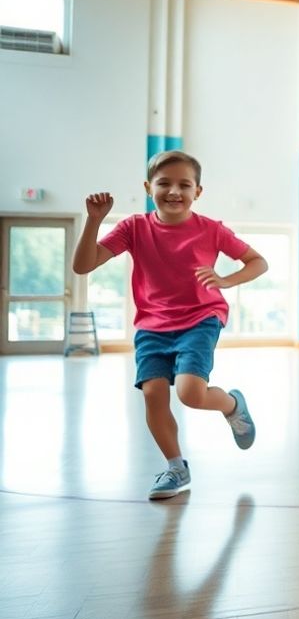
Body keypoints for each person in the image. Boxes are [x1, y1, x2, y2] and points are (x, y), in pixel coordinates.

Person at [73, 150, 267, 499]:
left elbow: (257, 262)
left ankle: (232, 405)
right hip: (152, 325)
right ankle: (176, 469)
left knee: (190, 393)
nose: (174, 191)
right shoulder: (134, 227)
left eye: (184, 185)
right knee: (153, 395)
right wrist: (94, 221)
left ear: (198, 191)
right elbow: (83, 265)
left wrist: (225, 280)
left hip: (201, 318)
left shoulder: (211, 229)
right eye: (164, 183)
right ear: (148, 187)